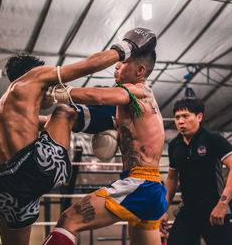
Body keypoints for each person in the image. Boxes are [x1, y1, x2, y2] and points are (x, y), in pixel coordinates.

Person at [0, 27, 156, 245]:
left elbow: (44, 124)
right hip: (36, 168)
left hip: (3, 187)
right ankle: (113, 121)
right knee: (65, 112)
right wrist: (128, 47)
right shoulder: (33, 77)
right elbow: (91, 64)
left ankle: (111, 122)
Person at [43, 28, 166, 245]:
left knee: (69, 219)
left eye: (123, 62)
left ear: (140, 70)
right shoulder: (132, 104)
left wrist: (58, 93)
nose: (117, 65)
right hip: (149, 185)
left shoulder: (139, 91)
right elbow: (94, 104)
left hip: (140, 184)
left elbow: (99, 96)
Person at [160, 97, 232, 245]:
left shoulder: (213, 139)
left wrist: (222, 204)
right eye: (177, 117)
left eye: (185, 116)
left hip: (215, 211)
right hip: (188, 212)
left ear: (199, 117)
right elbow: (172, 178)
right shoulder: (174, 145)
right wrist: (162, 209)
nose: (180, 121)